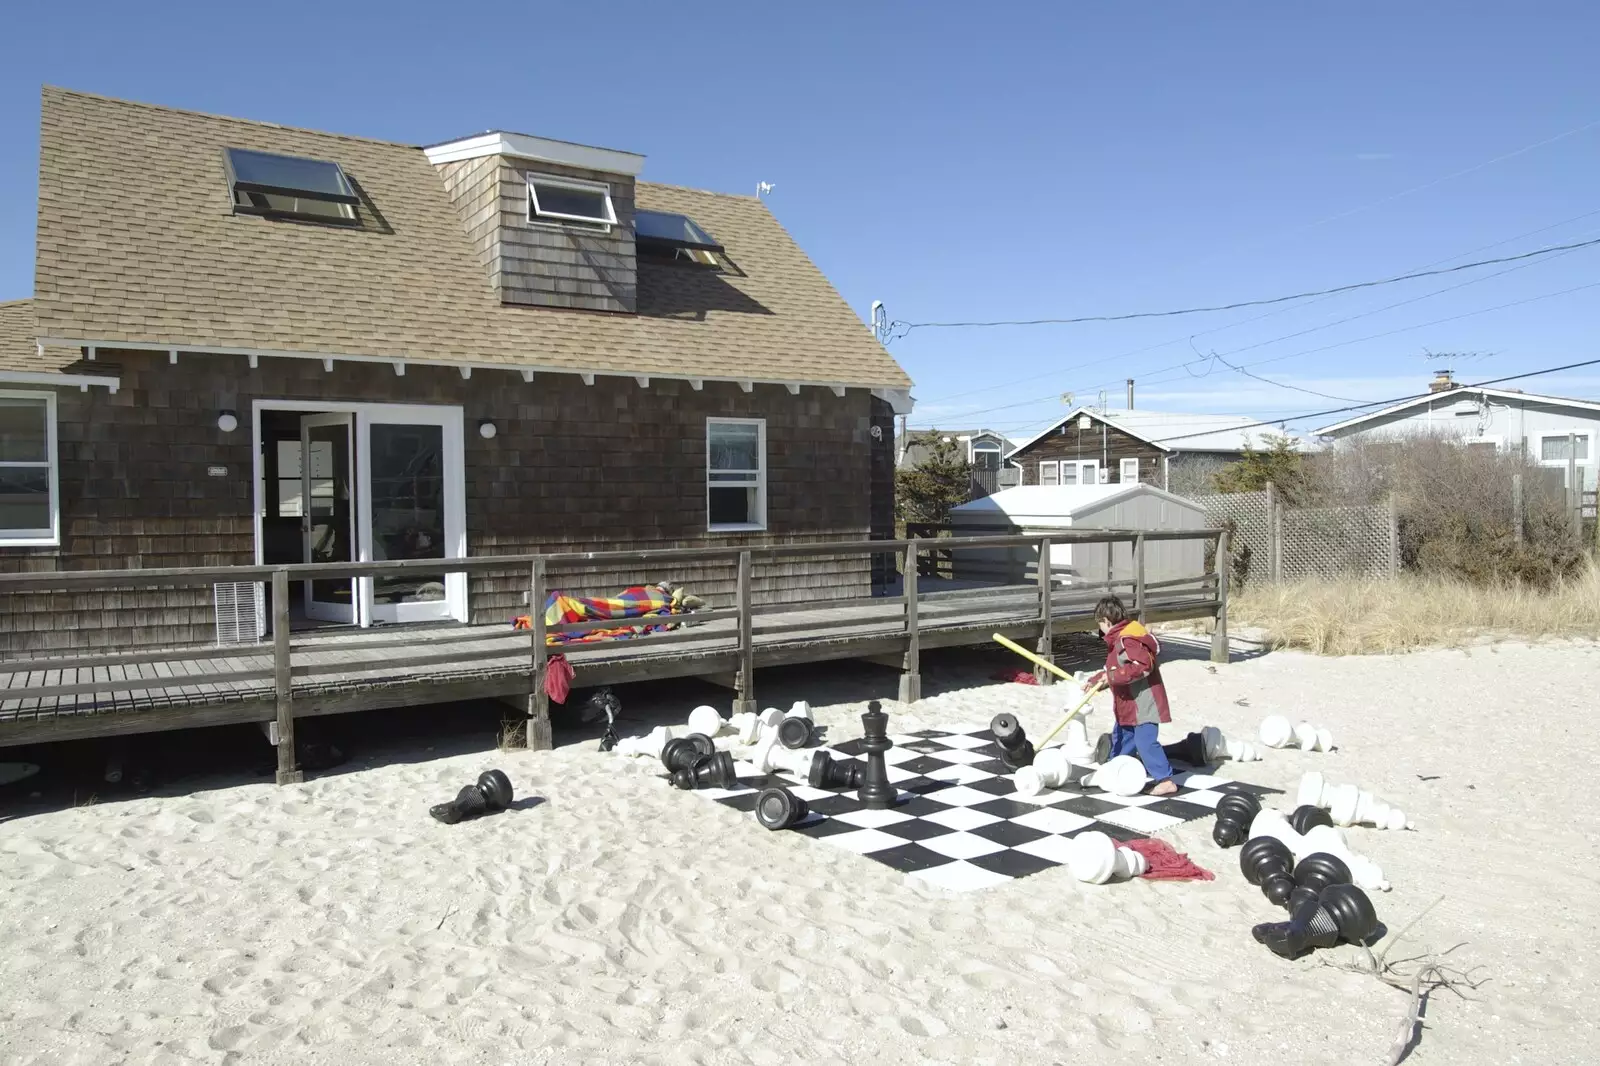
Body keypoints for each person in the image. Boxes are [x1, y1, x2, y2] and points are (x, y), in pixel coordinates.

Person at [1085, 594, 1177, 796]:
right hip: (1127, 703)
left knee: (1145, 741)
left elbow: (1144, 666)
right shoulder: (1120, 639)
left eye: (1099, 623)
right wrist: (1097, 681)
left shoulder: (1128, 640)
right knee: (1123, 738)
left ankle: (1165, 779)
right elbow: (1116, 669)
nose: (1099, 628)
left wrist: (1111, 678)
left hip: (1143, 702)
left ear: (1106, 621)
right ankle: (1114, 770)